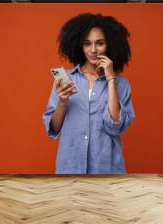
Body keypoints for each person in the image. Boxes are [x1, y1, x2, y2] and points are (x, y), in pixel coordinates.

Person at [43, 13, 135, 174]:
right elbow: (54, 129)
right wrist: (62, 103)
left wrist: (110, 78)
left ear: (110, 45)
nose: (93, 50)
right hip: (70, 165)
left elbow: (116, 126)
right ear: (80, 46)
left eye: (99, 43)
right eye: (87, 44)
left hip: (107, 166)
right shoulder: (66, 78)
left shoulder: (122, 84)